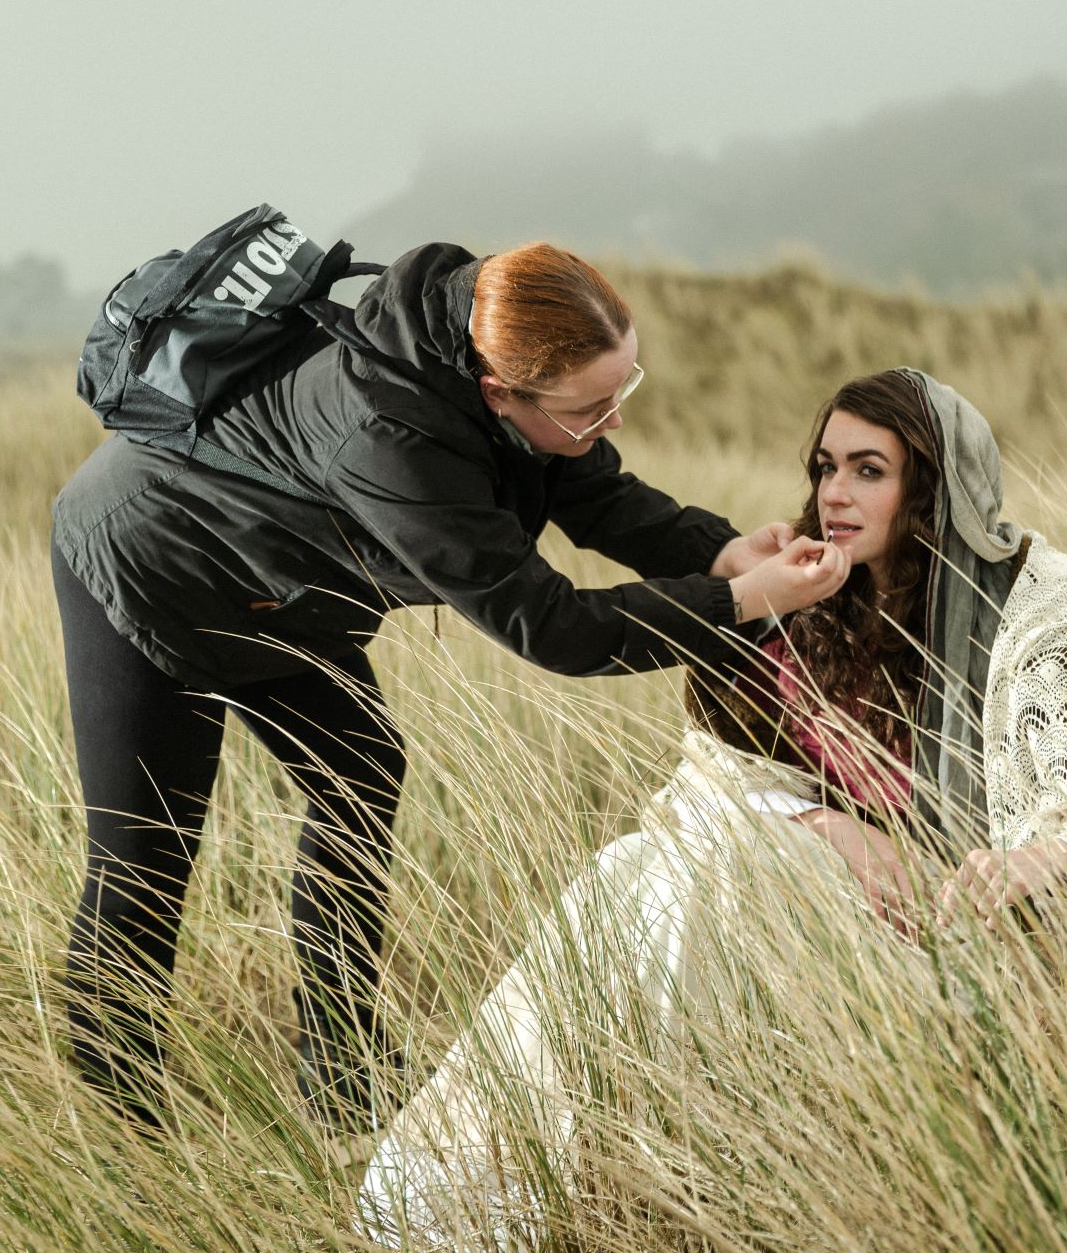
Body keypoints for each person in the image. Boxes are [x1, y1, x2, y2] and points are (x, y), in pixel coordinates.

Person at [355, 368, 1067, 1245]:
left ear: (930, 483)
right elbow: (719, 777)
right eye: (825, 467)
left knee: (720, 877)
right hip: (843, 913)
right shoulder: (818, 599)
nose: (836, 495)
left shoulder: (1035, 615)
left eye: (869, 470)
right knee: (635, 870)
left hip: (979, 935)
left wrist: (1034, 856)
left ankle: (600, 1167)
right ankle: (491, 1182)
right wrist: (823, 826)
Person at [50, 240, 850, 1132]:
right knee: (146, 858)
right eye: (596, 405)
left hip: (284, 587)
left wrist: (717, 549)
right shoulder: (391, 444)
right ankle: (121, 1139)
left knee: (362, 768)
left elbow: (593, 493)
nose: (614, 419)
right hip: (145, 574)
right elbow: (552, 627)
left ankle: (346, 1074)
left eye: (625, 387)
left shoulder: (495, 338)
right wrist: (738, 601)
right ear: (500, 392)